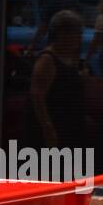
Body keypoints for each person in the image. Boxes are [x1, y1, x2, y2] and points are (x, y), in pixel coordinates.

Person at [25, 9, 86, 153]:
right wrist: (48, 129)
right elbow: (37, 96)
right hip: (53, 129)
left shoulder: (71, 57)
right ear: (61, 35)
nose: (79, 39)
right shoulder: (48, 60)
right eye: (75, 34)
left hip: (68, 126)